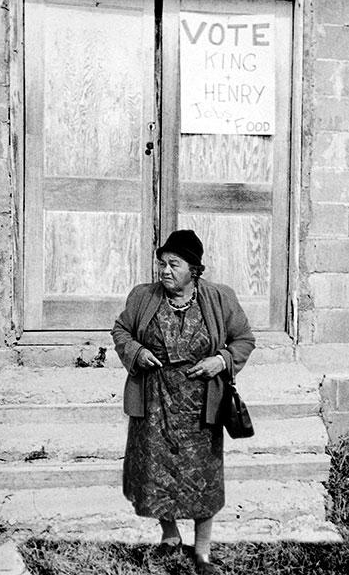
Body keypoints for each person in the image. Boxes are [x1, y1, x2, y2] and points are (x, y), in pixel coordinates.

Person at [111, 229, 255, 574]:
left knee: (202, 476)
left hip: (200, 405)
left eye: (173, 264)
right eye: (162, 263)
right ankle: (170, 537)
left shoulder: (219, 299)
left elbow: (244, 339)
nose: (164, 270)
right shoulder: (144, 297)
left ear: (194, 269)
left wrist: (220, 361)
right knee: (156, 473)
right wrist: (137, 351)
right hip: (155, 401)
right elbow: (121, 331)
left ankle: (203, 552)